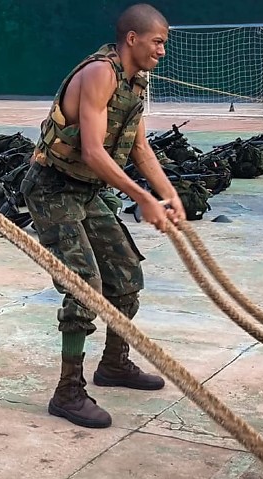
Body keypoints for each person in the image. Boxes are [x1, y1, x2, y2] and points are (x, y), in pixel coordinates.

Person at [21, 3, 185, 429]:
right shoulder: (100, 73)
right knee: (85, 287)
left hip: (87, 190)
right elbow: (93, 151)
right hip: (53, 187)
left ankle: (114, 364)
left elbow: (139, 147)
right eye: (157, 42)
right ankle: (68, 392)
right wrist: (141, 197)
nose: (162, 51)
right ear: (132, 38)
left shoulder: (135, 83)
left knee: (126, 275)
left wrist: (168, 194)